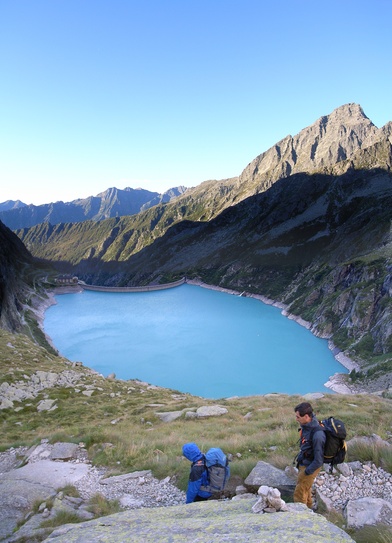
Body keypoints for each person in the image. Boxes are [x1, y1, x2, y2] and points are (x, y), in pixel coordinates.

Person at [293, 401, 326, 509]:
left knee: (300, 491)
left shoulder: (317, 434)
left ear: (306, 416)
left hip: (311, 466)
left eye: (298, 417)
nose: (296, 419)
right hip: (305, 463)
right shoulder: (306, 426)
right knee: (305, 489)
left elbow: (319, 460)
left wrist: (307, 472)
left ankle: (301, 515)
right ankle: (309, 508)